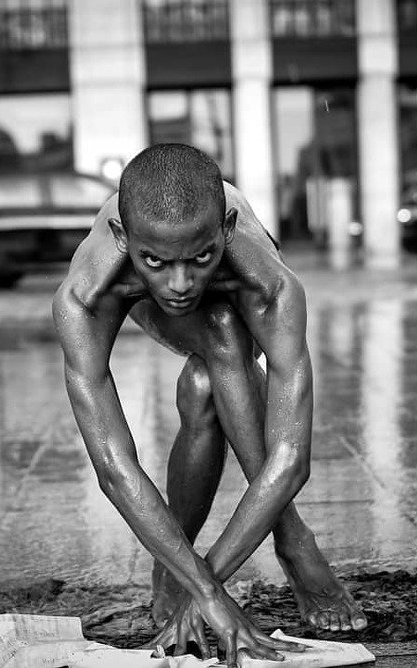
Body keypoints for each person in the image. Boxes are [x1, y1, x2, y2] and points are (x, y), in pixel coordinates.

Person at [52, 144, 367, 666]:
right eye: (156, 262)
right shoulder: (85, 296)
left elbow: (292, 460)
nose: (180, 285)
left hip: (234, 284)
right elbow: (112, 466)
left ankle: (289, 545)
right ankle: (242, 551)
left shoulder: (270, 284)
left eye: (200, 258)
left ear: (225, 229)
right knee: (213, 340)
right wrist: (211, 595)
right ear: (123, 240)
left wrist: (203, 586)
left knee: (210, 369)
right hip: (133, 283)